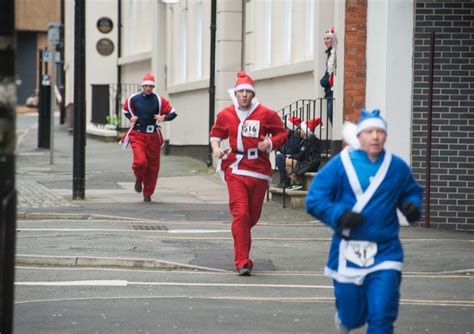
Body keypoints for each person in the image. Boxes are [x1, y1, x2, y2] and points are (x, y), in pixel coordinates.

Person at [305, 109, 423, 333]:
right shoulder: (341, 164)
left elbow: (411, 191)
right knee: (352, 316)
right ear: (359, 136)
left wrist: (412, 206)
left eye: (380, 131)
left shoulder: (396, 166)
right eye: (370, 131)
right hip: (348, 249)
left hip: (385, 250)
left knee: (382, 315)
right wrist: (339, 215)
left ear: (386, 136)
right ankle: (345, 318)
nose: (376, 137)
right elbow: (314, 199)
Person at [210, 71, 288, 276]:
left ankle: (241, 233)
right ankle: (242, 261)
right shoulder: (226, 114)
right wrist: (216, 148)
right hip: (235, 167)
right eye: (241, 91)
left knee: (251, 217)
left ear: (253, 95)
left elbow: (282, 133)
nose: (244, 95)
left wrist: (270, 142)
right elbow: (216, 133)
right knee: (241, 213)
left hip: (259, 170)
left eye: (248, 92)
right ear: (235, 94)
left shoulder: (266, 113)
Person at [120, 73, 177, 202]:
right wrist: (131, 118)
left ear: (153, 86)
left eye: (151, 86)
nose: (148, 88)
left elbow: (173, 113)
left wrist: (164, 118)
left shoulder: (158, 100)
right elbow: (125, 110)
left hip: (153, 136)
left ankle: (148, 193)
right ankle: (139, 178)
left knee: (153, 166)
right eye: (146, 86)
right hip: (137, 134)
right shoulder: (133, 99)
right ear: (142, 86)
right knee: (140, 161)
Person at [285, 118, 322, 190]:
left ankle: (298, 182)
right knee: (287, 163)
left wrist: (292, 156)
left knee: (286, 161)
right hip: (305, 161)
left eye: (301, 129)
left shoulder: (310, 140)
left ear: (305, 131)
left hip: (309, 163)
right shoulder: (305, 140)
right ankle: (296, 182)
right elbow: (301, 154)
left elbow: (301, 155)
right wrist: (292, 156)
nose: (299, 131)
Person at [275, 116, 304, 188]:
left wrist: (280, 150)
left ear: (290, 128)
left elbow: (291, 151)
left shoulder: (295, 137)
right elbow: (286, 148)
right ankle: (284, 181)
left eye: (286, 127)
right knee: (279, 157)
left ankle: (284, 181)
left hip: (295, 157)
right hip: (291, 156)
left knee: (279, 158)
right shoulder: (290, 135)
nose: (284, 128)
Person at [320, 26, 336, 124]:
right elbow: (327, 74)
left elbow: (329, 75)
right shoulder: (330, 53)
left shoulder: (334, 53)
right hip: (329, 93)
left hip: (332, 92)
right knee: (331, 118)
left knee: (333, 117)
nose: (326, 41)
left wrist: (325, 80)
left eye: (328, 38)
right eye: (324, 39)